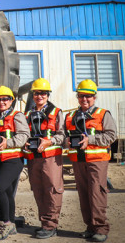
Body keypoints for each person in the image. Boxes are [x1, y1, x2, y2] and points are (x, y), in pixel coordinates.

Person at [64, 79, 117, 243]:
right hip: (78, 160)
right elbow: (65, 135)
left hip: (96, 160)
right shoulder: (71, 116)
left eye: (88, 96)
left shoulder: (103, 114)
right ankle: (90, 227)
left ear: (94, 97)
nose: (84, 99)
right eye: (81, 96)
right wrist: (66, 141)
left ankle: (101, 228)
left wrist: (91, 139)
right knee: (84, 194)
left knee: (96, 193)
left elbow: (111, 136)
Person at [0, 86, 29, 240]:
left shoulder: (17, 116)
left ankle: (5, 223)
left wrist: (8, 143)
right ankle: (12, 225)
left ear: (11, 100)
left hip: (13, 160)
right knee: (7, 193)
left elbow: (24, 136)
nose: (2, 102)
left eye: (5, 99)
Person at [23, 78, 64, 239]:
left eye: (43, 93)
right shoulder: (27, 115)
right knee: (38, 190)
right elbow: (24, 135)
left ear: (48, 95)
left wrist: (50, 141)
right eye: (37, 93)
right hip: (34, 158)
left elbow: (62, 135)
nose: (40, 96)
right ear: (33, 95)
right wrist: (24, 144)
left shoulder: (55, 112)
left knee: (52, 190)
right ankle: (44, 223)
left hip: (51, 159)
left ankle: (50, 225)